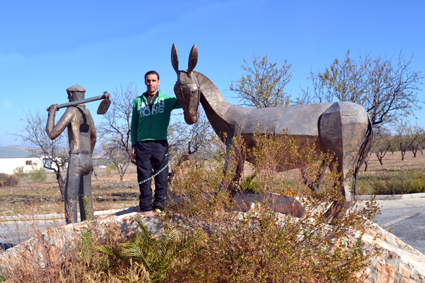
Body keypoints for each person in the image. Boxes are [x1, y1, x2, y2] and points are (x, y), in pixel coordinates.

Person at [131, 70, 181, 212]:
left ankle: (160, 205)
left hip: (160, 143)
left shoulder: (167, 100)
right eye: (148, 80)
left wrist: (187, 89)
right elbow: (133, 124)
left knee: (162, 176)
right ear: (145, 82)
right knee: (144, 177)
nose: (151, 83)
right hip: (142, 144)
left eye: (153, 80)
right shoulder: (137, 102)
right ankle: (146, 207)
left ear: (158, 82)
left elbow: (185, 102)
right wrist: (133, 144)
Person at [46, 85, 96, 224]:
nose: (68, 97)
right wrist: (89, 157)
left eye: (69, 95)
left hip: (76, 157)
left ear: (73, 95)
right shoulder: (87, 112)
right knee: (87, 196)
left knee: (71, 197)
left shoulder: (71, 110)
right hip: (87, 158)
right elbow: (93, 138)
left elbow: (52, 133)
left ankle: (71, 233)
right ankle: (90, 229)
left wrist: (52, 113)